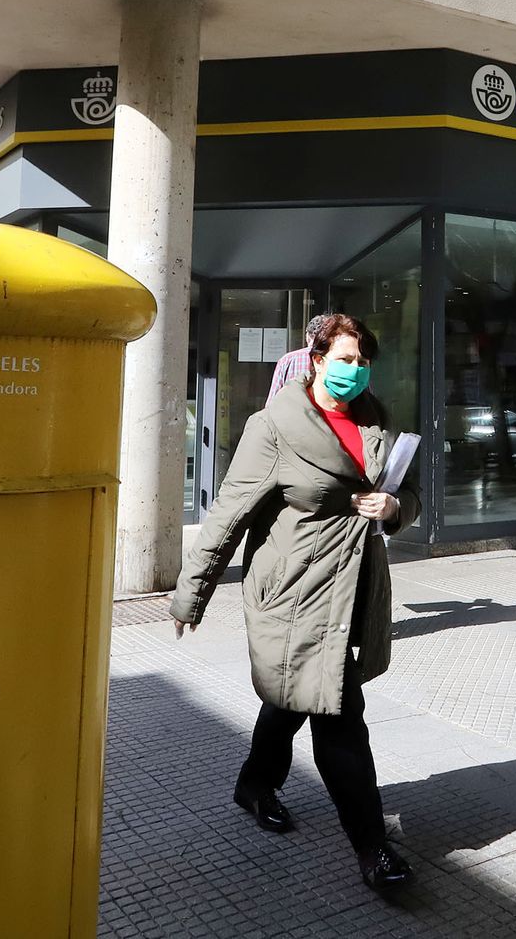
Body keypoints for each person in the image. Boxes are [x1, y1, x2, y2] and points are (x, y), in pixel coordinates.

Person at [170, 313, 422, 891]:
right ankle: (372, 849)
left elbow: (406, 489)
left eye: (361, 362)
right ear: (315, 361)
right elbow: (230, 511)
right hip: (294, 593)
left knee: (291, 697)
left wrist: (394, 508)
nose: (353, 371)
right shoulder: (274, 426)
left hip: (353, 587)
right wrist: (191, 594)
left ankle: (255, 784)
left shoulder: (377, 419)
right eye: (343, 360)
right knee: (337, 714)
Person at [267, 314, 327, 403]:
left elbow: (272, 401)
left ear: (308, 335)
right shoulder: (335, 360)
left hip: (289, 414)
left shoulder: (287, 360)